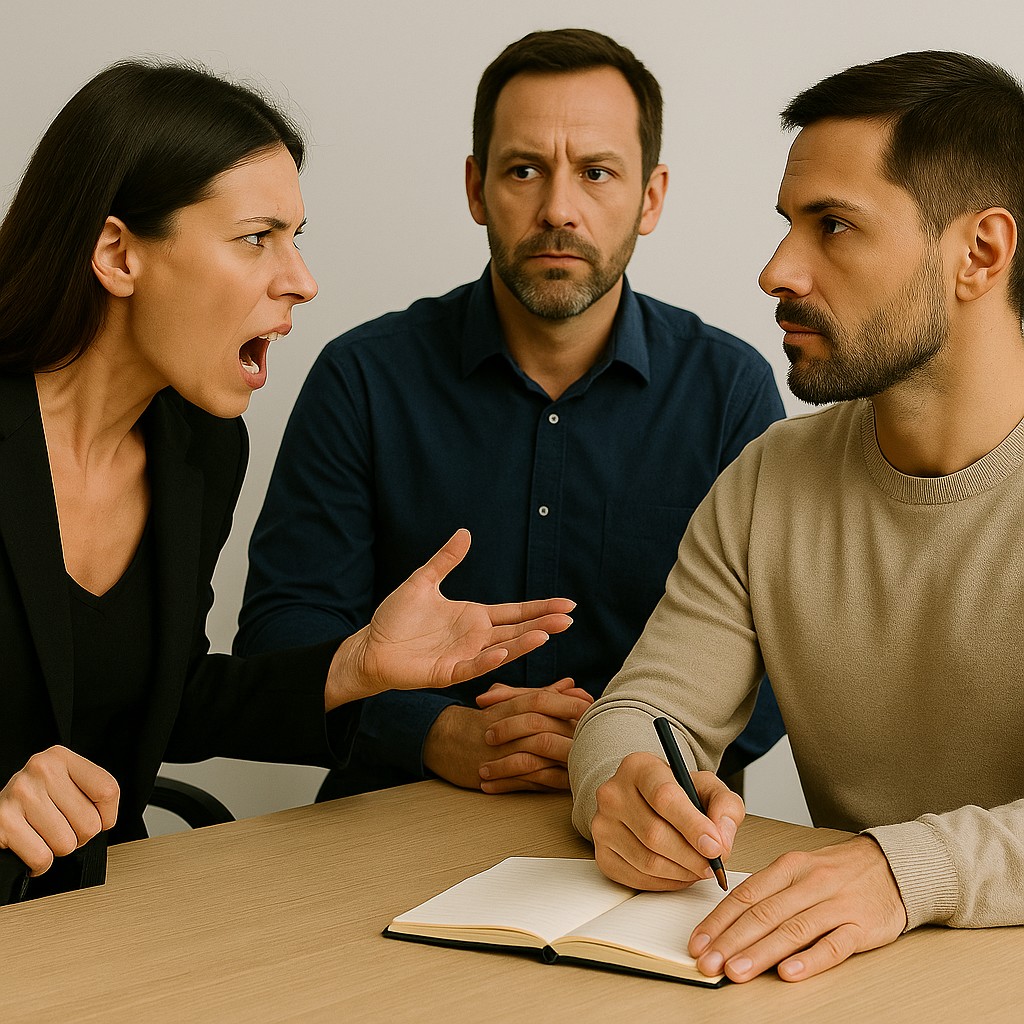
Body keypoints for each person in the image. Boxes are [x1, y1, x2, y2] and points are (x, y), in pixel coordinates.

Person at [0, 60, 573, 891]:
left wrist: (358, 665)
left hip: (86, 925)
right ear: (119, 254)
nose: (300, 280)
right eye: (256, 237)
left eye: (295, 237)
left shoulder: (198, 449)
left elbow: (168, 698)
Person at [235, 28, 786, 801]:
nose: (558, 208)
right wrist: (432, 731)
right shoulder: (363, 378)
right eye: (524, 169)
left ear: (650, 197)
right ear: (475, 187)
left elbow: (785, 660)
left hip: (652, 822)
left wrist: (617, 752)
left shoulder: (729, 391)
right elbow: (279, 639)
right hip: (392, 819)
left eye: (597, 173)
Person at [569, 49, 1024, 984]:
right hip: (842, 983)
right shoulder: (774, 475)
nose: (778, 270)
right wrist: (628, 792)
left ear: (979, 253)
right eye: (789, 224)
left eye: (835, 227)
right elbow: (646, 708)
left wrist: (906, 872)